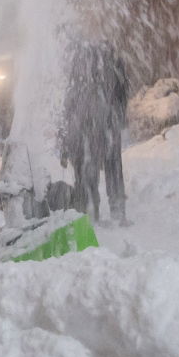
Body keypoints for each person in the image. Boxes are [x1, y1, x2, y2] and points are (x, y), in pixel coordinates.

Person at [57, 41, 130, 224]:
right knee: (113, 169)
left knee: (88, 171)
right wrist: (118, 118)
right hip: (108, 124)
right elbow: (123, 94)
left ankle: (91, 213)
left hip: (87, 128)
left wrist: (64, 142)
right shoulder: (113, 64)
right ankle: (118, 212)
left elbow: (67, 106)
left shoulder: (77, 68)